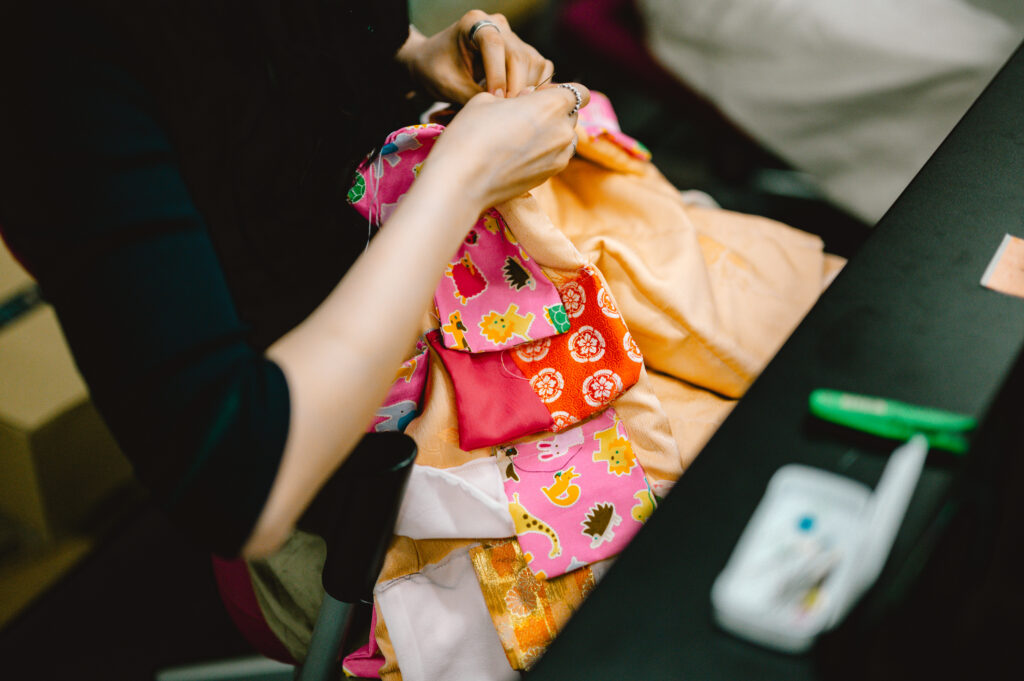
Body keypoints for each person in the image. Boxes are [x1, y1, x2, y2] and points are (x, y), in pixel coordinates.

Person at [0, 1, 589, 559]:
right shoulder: (54, 48)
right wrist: (465, 179)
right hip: (323, 455)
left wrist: (408, 53)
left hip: (414, 294)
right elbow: (238, 481)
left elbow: (262, 65)